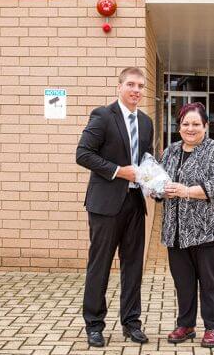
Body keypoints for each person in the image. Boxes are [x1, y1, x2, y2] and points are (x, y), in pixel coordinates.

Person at [76, 67, 154, 348]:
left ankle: (132, 323)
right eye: (131, 84)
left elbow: (146, 161)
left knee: (133, 267)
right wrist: (119, 171)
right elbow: (83, 154)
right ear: (119, 87)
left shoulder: (146, 122)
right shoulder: (103, 116)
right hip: (106, 205)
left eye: (141, 86)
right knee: (100, 266)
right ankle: (94, 325)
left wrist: (155, 183)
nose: (136, 90)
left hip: (135, 204)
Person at [160, 102, 214, 348]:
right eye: (185, 124)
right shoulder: (170, 151)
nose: (190, 128)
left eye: (195, 124)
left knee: (210, 282)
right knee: (183, 281)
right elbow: (159, 182)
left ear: (205, 126)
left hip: (208, 231)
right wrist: (160, 190)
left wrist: (186, 191)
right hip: (176, 232)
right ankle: (186, 324)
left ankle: (212, 327)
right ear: (179, 126)